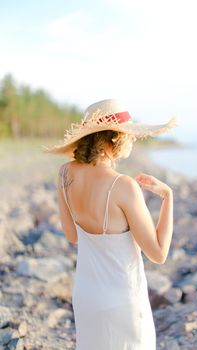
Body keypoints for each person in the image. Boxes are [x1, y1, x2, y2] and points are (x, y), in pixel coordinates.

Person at [42, 99, 176, 350]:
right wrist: (168, 196)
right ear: (112, 139)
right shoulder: (123, 185)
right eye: (129, 135)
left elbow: (73, 235)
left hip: (86, 296)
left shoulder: (64, 173)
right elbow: (158, 253)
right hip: (122, 300)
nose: (133, 140)